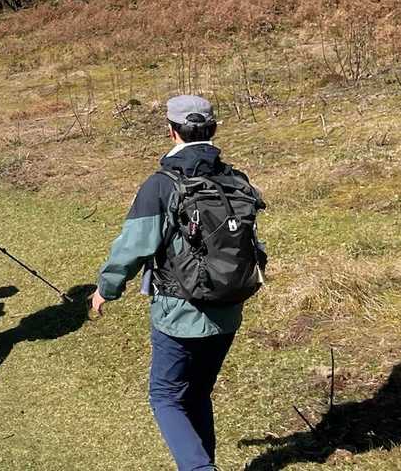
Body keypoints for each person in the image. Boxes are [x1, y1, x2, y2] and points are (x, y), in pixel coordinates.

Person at [90, 95, 268, 471]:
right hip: (228, 309)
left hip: (178, 312)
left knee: (165, 396)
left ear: (171, 131)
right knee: (198, 393)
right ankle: (204, 463)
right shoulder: (235, 179)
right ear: (213, 129)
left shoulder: (161, 185)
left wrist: (106, 289)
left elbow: (133, 246)